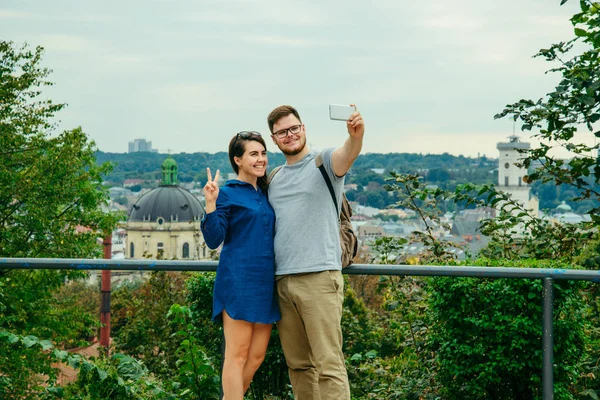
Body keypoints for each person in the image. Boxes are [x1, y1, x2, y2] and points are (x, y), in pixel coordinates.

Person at [267, 105, 364, 400]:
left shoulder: (324, 163)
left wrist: (356, 135)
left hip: (320, 277)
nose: (290, 135)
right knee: (298, 367)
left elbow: (349, 152)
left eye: (294, 128)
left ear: (304, 128)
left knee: (329, 365)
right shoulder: (274, 177)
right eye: (282, 132)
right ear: (274, 139)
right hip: (283, 281)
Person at [201, 131, 281, 400]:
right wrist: (210, 204)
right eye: (253, 154)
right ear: (238, 160)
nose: (261, 159)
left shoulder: (267, 191)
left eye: (263, 153)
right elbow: (214, 239)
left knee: (256, 356)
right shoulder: (227, 194)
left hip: (265, 283)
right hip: (238, 281)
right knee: (236, 354)